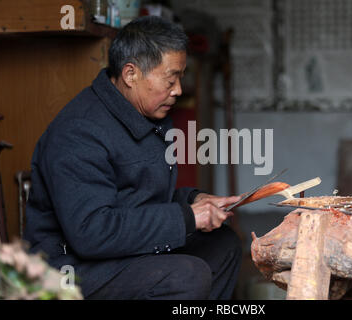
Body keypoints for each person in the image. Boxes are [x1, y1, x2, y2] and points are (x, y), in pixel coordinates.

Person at [23, 16, 242, 300]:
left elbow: (139, 199)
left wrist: (192, 202)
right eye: (170, 78)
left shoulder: (149, 116)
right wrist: (186, 218)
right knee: (186, 275)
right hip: (64, 267)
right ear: (131, 74)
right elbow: (92, 232)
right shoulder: (79, 133)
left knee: (223, 245)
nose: (177, 89)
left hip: (111, 251)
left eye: (180, 78)